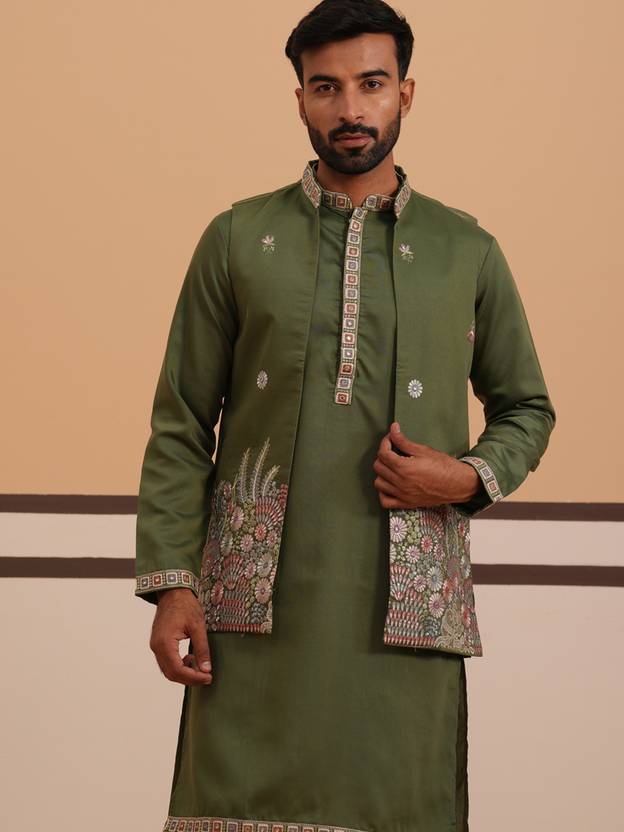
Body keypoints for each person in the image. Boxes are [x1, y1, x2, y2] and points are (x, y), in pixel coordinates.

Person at [134, 2, 556, 831]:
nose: (350, 108)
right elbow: (181, 422)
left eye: (371, 84)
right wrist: (174, 582)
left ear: (406, 93)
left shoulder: (465, 250)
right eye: (325, 87)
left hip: (405, 612)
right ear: (300, 99)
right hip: (253, 612)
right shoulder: (237, 239)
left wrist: (465, 477)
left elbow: (527, 408)